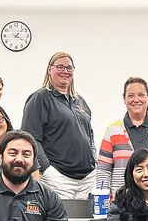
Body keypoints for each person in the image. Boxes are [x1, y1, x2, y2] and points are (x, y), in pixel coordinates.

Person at [22, 52, 95, 200]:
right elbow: (31, 140)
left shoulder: (80, 101)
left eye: (69, 67)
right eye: (60, 67)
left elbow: (90, 136)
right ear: (50, 70)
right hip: (59, 178)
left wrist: (94, 159)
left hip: (88, 178)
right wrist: (47, 170)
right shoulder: (40, 98)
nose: (65, 71)